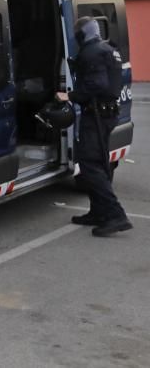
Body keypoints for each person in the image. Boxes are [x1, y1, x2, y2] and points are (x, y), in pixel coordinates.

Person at [56, 16, 132, 237]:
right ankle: (98, 211)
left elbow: (96, 84)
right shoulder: (108, 49)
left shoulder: (93, 52)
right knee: (97, 161)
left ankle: (116, 214)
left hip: (97, 115)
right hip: (105, 114)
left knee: (91, 165)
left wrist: (68, 95)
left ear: (83, 34)